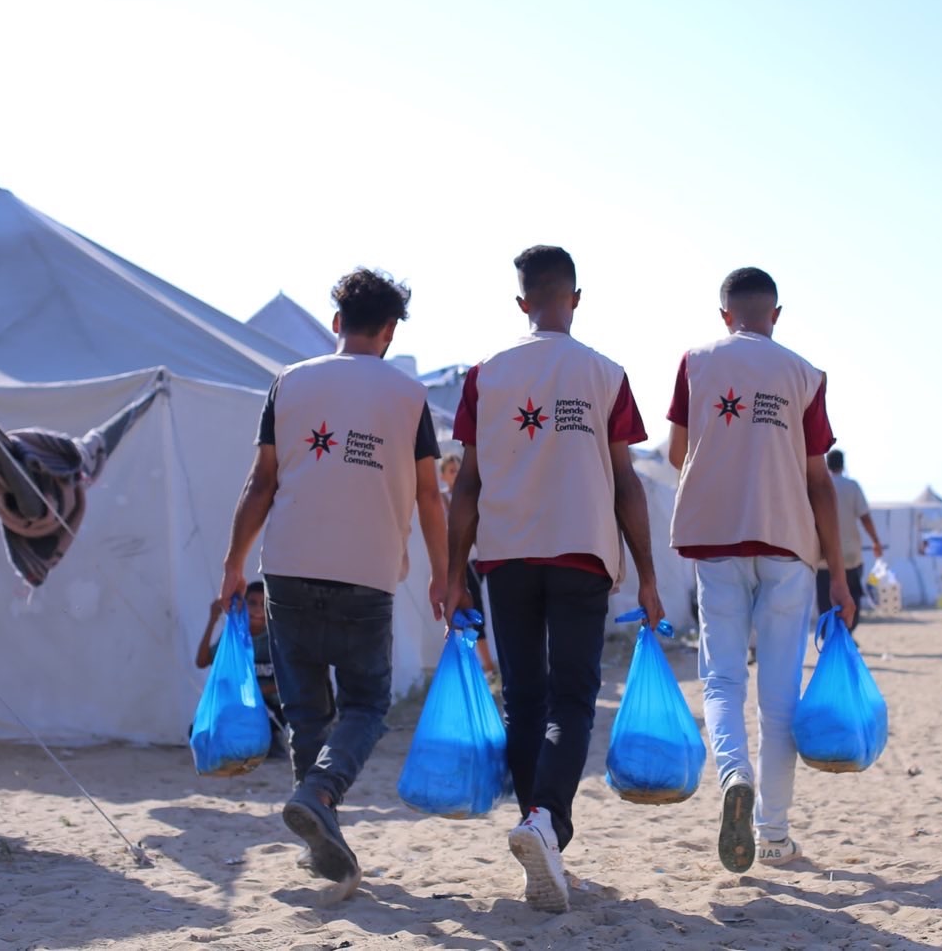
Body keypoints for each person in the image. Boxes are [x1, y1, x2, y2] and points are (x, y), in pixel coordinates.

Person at [446, 245, 664, 913]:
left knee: (524, 699)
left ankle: (537, 835)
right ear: (575, 297)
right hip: (581, 553)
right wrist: (649, 576)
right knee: (572, 698)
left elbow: (469, 484)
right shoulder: (605, 373)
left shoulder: (486, 374)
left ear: (521, 302)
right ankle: (547, 826)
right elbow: (627, 482)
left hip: (506, 555)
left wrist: (453, 573)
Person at [218, 268, 448, 890]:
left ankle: (320, 827)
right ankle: (320, 793)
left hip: (288, 565)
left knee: (305, 710)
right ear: (391, 329)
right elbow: (430, 495)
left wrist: (232, 566)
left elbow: (260, 483)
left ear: (336, 323)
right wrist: (444, 575)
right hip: (367, 571)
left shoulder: (289, 383)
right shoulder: (407, 395)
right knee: (368, 703)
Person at [667, 266, 854, 874]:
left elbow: (676, 452)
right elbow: (818, 482)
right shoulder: (803, 373)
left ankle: (732, 776)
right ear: (775, 314)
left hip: (715, 541)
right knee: (779, 698)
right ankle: (773, 833)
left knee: (721, 681)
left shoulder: (696, 361)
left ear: (725, 315)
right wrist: (842, 579)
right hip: (787, 546)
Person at [195, 580, 286, 758]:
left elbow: (288, 679)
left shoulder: (276, 639)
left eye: (263, 604)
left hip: (271, 706)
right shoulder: (235, 636)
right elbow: (202, 661)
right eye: (252, 603)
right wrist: (212, 620)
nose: (258, 610)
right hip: (240, 704)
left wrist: (259, 691)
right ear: (242, 605)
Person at [438, 452, 496, 678]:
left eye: (458, 469)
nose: (456, 474)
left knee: (475, 612)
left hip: (473, 562)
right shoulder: (442, 500)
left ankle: (488, 668)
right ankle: (469, 669)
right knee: (457, 616)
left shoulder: (471, 497)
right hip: (454, 565)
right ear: (443, 476)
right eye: (451, 470)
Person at [816, 449, 885, 625]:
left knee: (825, 600)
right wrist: (876, 541)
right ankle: (847, 632)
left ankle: (829, 637)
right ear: (843, 464)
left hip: (823, 556)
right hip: (850, 556)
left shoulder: (819, 485)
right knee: (852, 598)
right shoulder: (852, 486)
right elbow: (865, 517)